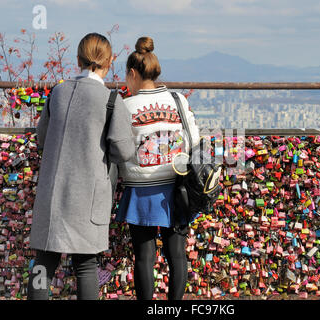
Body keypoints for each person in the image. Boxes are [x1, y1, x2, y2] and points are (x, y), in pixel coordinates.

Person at [27, 33, 135, 300]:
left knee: (44, 262)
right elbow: (124, 150)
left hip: (52, 192)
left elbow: (43, 138)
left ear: (78, 59)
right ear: (110, 62)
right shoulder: (111, 100)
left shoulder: (57, 93)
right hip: (88, 197)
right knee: (86, 265)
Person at [113, 36, 200, 300]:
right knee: (177, 255)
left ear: (132, 73)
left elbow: (119, 148)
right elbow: (194, 141)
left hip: (141, 191)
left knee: (144, 257)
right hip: (177, 187)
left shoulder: (125, 106)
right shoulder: (177, 100)